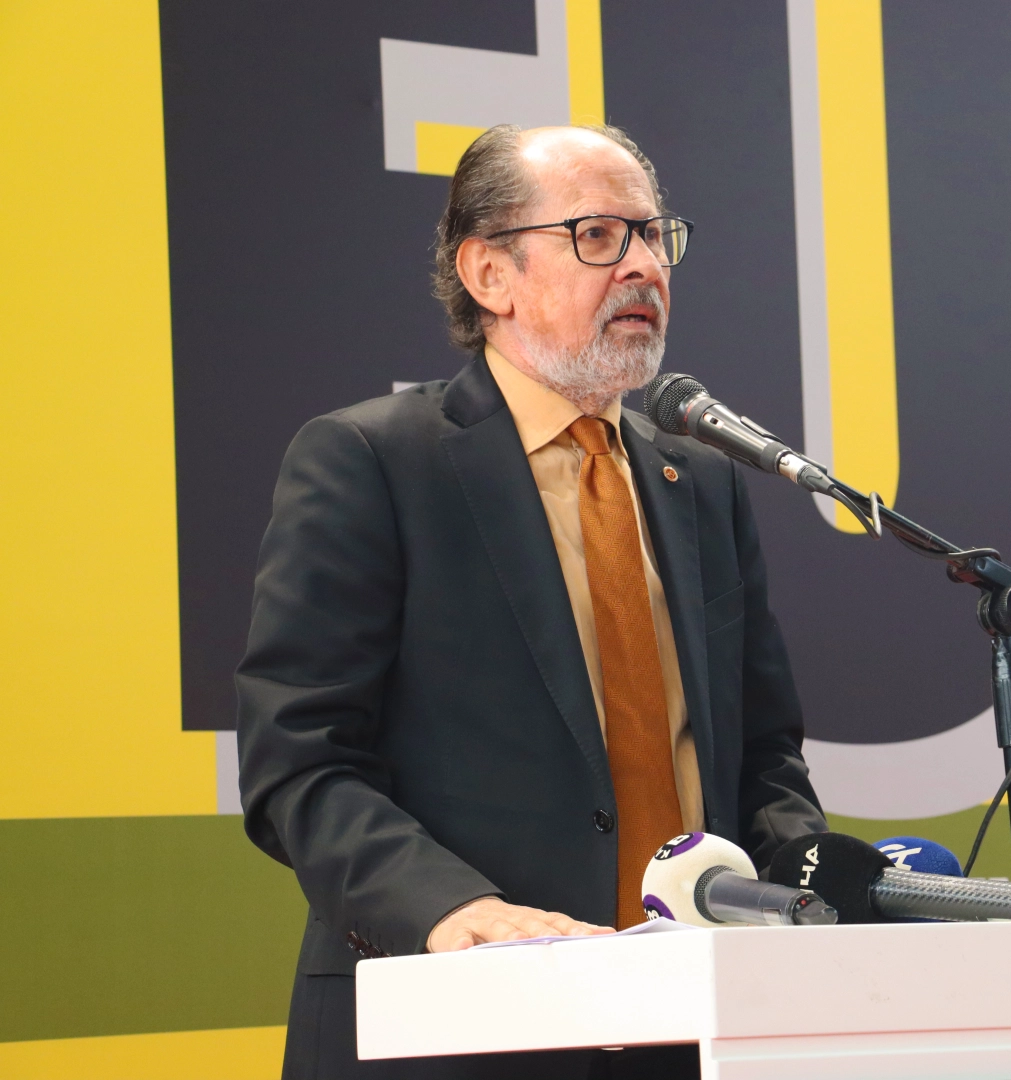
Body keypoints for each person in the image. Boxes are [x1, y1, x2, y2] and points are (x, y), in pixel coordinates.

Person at [236, 123, 826, 1080]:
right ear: (489, 274)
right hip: (462, 1020)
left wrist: (814, 885)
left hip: (697, 1023)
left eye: (653, 234)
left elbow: (761, 754)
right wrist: (451, 909)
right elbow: (300, 761)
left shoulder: (702, 480)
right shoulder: (374, 461)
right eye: (597, 235)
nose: (643, 266)